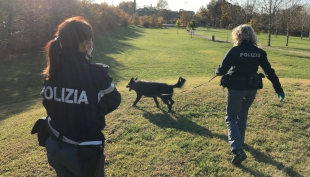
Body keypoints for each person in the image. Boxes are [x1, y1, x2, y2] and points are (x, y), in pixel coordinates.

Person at [41, 16, 121, 176]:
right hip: (83, 154)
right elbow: (114, 100)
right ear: (85, 44)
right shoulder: (96, 74)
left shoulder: (52, 71)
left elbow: (48, 103)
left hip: (55, 147)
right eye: (91, 40)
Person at [214, 24, 285, 166]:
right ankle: (241, 142)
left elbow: (222, 70)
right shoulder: (259, 52)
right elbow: (269, 72)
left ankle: (237, 150)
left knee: (231, 117)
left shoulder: (234, 51)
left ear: (237, 36)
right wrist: (278, 89)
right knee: (243, 113)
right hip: (252, 88)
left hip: (236, 88)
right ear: (252, 35)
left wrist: (217, 72)